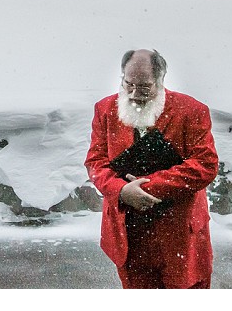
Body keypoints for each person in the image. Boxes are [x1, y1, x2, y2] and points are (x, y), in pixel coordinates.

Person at [85, 48, 218, 288]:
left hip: (180, 233)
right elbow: (95, 162)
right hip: (130, 234)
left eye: (145, 87)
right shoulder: (105, 110)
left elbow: (205, 164)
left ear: (160, 80)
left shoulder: (192, 110)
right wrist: (122, 192)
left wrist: (148, 189)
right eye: (129, 85)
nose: (135, 94)